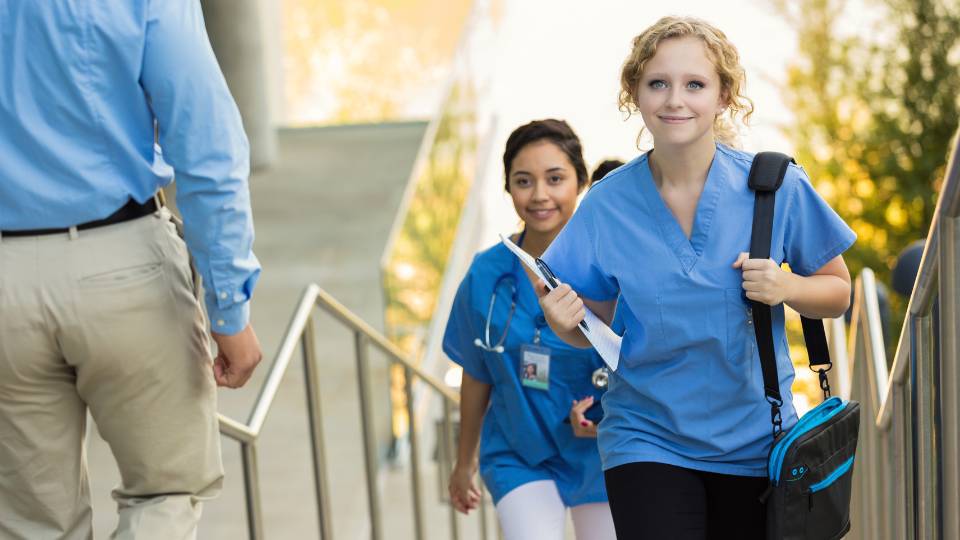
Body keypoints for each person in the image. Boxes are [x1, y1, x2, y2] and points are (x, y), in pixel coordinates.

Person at [536, 16, 856, 539]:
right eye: (657, 83)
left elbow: (838, 292)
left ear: (724, 95)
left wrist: (788, 288)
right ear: (634, 94)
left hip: (754, 442)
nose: (675, 100)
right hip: (645, 436)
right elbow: (584, 324)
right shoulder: (608, 204)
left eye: (695, 84)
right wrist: (561, 322)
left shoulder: (773, 188)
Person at [0, 2, 262, 538]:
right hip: (124, 265)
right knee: (164, 493)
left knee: (31, 525)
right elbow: (207, 144)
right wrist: (229, 306)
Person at [444, 120, 617, 540]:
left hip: (603, 452)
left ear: (579, 181)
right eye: (524, 181)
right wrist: (464, 460)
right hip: (518, 453)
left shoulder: (613, 266)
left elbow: (645, 357)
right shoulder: (486, 274)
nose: (539, 195)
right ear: (507, 187)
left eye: (555, 179)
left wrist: (610, 412)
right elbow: (476, 371)